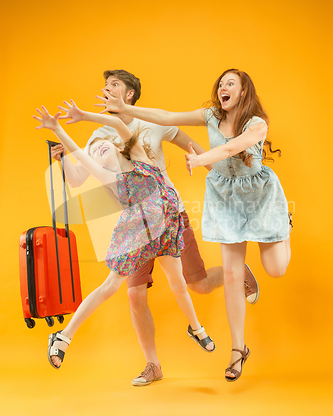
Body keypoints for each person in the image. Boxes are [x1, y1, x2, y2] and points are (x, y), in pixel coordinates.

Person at [51, 69, 259, 386]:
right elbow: (80, 177)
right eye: (104, 86)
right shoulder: (98, 139)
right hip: (135, 221)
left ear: (129, 93)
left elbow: (195, 148)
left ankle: (235, 276)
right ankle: (153, 364)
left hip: (169, 211)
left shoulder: (149, 124)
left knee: (197, 285)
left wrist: (226, 174)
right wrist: (62, 156)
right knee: (133, 294)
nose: (105, 89)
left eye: (113, 85)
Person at [96, 68, 292, 382]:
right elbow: (166, 115)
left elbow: (232, 148)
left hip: (260, 198)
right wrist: (126, 109)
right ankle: (238, 351)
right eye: (221, 83)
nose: (224, 87)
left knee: (276, 268)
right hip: (227, 196)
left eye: (232, 84)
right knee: (230, 273)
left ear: (243, 92)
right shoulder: (212, 115)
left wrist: (201, 160)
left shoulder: (257, 124)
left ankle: (284, 224)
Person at [33, 104, 216, 380]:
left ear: (118, 146)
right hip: (137, 235)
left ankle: (196, 329)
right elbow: (80, 155)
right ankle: (62, 337)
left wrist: (86, 116)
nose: (98, 149)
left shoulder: (141, 157)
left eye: (103, 144)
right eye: (94, 151)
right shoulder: (109, 178)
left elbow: (120, 127)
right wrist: (58, 129)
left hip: (166, 226)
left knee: (178, 283)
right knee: (109, 287)